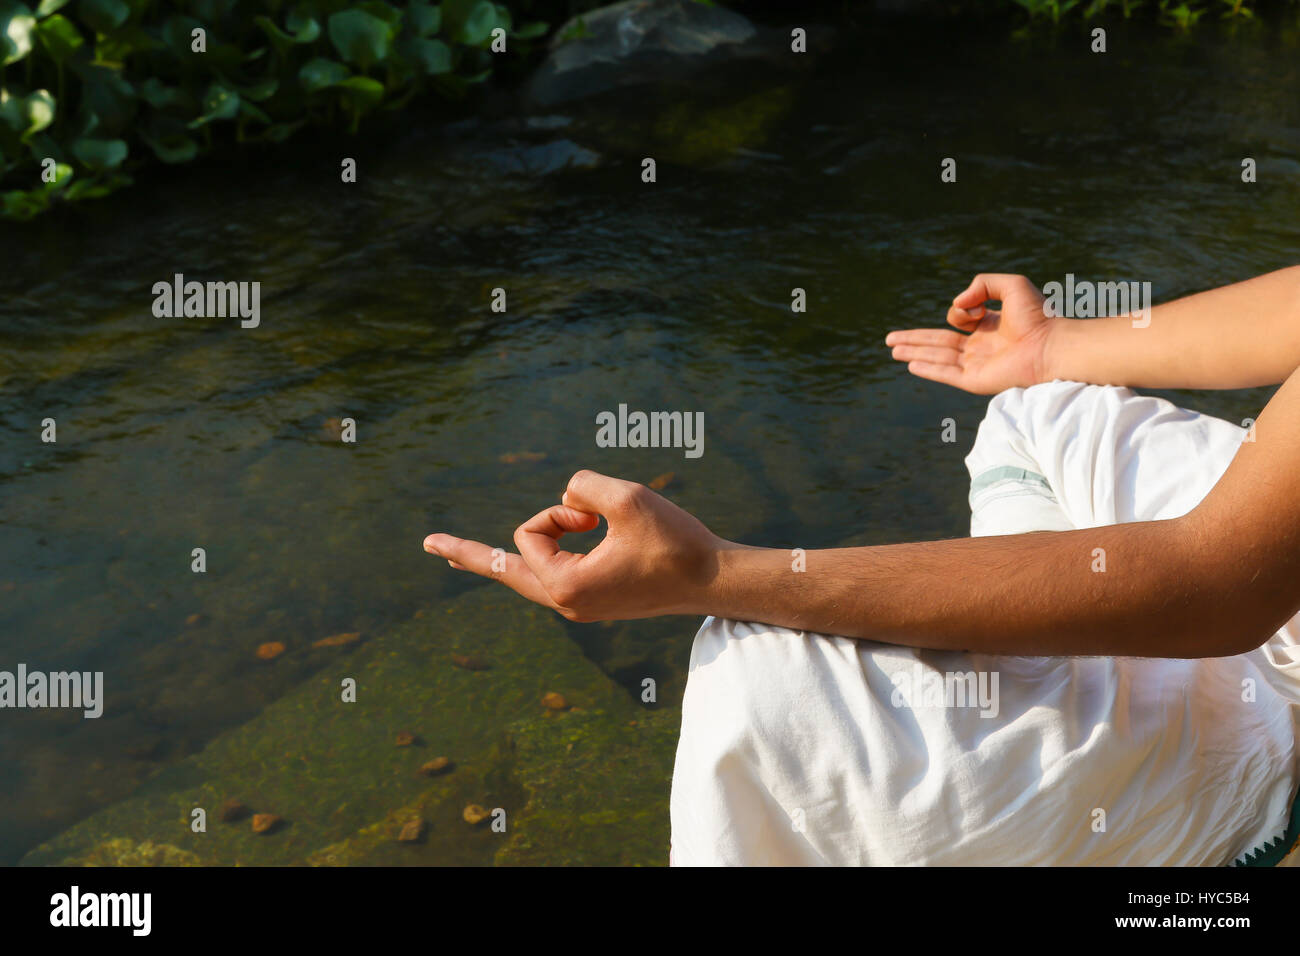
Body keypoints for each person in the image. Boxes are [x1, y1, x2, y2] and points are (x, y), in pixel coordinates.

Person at [424, 268, 1300, 865]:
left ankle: (1242, 794)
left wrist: (714, 574)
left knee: (756, 680)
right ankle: (1064, 677)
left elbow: (1213, 583)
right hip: (1250, 577)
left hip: (1252, 615)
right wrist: (1052, 348)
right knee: (1032, 414)